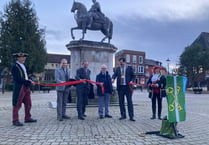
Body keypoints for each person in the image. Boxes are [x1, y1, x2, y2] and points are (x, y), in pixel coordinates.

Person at [11, 53, 37, 126]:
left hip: (26, 86)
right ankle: (15, 120)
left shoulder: (23, 66)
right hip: (20, 87)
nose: (24, 58)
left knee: (28, 103)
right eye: (22, 57)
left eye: (24, 57)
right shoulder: (15, 66)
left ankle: (28, 118)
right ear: (18, 58)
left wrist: (29, 80)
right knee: (17, 104)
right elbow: (17, 78)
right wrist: (27, 81)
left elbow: (25, 76)